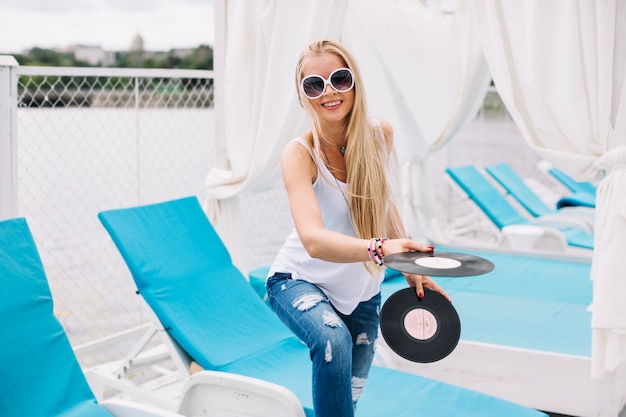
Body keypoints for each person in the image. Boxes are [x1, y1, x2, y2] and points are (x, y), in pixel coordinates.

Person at [265, 39, 450, 417]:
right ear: (303, 96)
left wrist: (410, 268)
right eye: (313, 84)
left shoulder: (379, 134)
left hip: (362, 289)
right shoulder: (299, 155)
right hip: (297, 279)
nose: (328, 91)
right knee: (332, 341)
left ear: (355, 83)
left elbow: (383, 205)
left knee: (346, 401)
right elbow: (313, 242)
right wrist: (384, 250)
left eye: (339, 78)